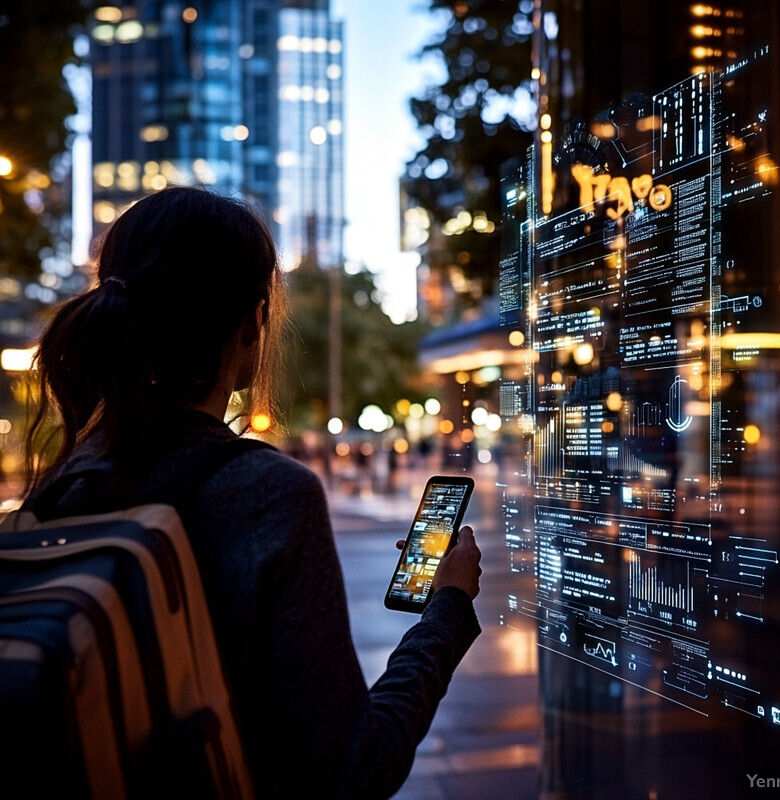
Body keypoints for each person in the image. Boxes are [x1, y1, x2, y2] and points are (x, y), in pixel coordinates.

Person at [23, 186, 482, 799]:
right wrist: (447, 606)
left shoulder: (62, 482)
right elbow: (354, 768)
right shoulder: (267, 492)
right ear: (252, 322)